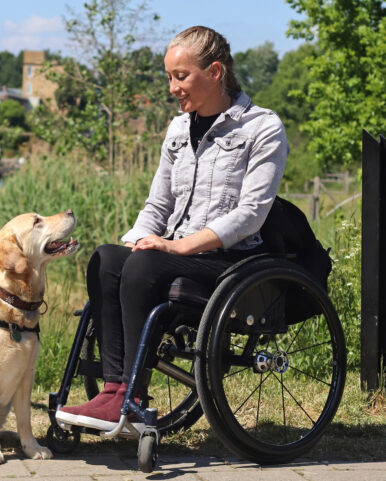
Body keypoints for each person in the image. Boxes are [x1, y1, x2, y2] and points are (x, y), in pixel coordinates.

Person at [55, 26, 289, 431]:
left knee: (146, 266)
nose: (172, 87)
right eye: (169, 76)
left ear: (215, 71)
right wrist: (134, 245)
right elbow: (158, 205)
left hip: (230, 262)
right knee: (108, 259)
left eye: (180, 76)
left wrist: (180, 248)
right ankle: (113, 390)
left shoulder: (262, 128)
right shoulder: (179, 129)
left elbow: (251, 213)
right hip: (174, 253)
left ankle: (132, 394)